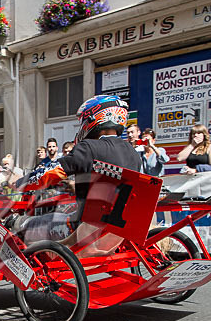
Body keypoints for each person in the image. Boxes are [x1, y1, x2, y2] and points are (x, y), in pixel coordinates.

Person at [14, 95, 141, 243]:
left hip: (82, 230)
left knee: (19, 223)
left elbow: (50, 173)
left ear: (95, 118)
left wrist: (19, 184)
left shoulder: (88, 148)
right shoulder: (134, 154)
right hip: (115, 234)